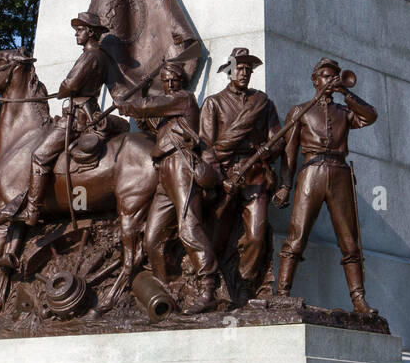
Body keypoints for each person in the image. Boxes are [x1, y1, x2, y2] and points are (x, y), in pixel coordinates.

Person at [274, 57, 379, 315]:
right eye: (324, 75)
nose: (329, 79)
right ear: (314, 80)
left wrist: (346, 92)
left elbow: (371, 116)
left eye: (333, 75)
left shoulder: (344, 111)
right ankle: (282, 293)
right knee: (296, 236)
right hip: (311, 172)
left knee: (350, 242)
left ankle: (359, 301)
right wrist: (285, 185)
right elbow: (289, 153)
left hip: (340, 173)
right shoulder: (300, 110)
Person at [119, 52, 220, 314]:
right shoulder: (167, 114)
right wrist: (135, 97)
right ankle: (167, 288)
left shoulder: (183, 100)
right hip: (163, 170)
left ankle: (208, 288)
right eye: (165, 80)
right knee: (152, 238)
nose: (170, 83)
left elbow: (149, 105)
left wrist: (130, 104)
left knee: (189, 228)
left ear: (181, 81)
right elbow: (146, 118)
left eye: (174, 78)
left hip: (181, 166)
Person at [22, 10, 127, 226]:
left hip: (77, 118)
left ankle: (32, 210)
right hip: (91, 110)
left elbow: (69, 85)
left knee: (40, 155)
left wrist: (61, 90)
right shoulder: (104, 58)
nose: (76, 34)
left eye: (79, 30)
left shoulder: (89, 55)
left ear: (90, 32)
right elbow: (116, 87)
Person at [199, 47, 281, 303]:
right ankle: (210, 285)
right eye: (240, 68)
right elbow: (205, 147)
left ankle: (245, 284)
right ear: (229, 71)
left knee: (256, 235)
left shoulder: (263, 103)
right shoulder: (214, 103)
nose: (244, 73)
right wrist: (220, 179)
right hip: (224, 176)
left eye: (248, 69)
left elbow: (277, 140)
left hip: (255, 175)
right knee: (215, 235)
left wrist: (268, 151)